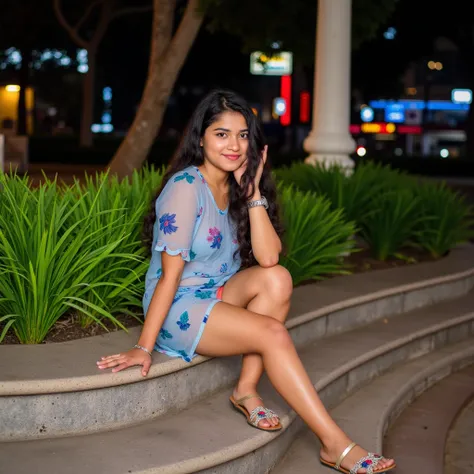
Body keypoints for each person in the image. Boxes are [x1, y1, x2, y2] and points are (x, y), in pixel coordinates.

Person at [98, 90, 396, 474]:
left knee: (278, 279)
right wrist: (143, 346)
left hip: (218, 292)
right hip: (179, 306)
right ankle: (334, 443)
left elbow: (270, 259)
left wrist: (253, 193)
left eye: (242, 135)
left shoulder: (237, 184)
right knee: (272, 334)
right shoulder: (185, 189)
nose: (234, 145)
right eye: (221, 134)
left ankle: (245, 390)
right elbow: (170, 276)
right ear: (200, 138)